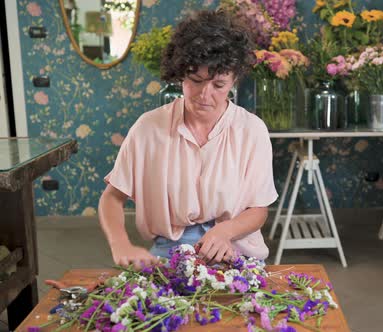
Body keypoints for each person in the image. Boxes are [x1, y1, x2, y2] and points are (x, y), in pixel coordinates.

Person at [98, 10, 278, 269]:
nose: (205, 94)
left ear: (234, 80)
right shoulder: (149, 128)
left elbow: (258, 210)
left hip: (237, 247)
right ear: (181, 74)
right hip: (170, 249)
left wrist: (224, 231)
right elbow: (112, 197)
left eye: (218, 85)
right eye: (195, 81)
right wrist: (120, 243)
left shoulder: (251, 130)